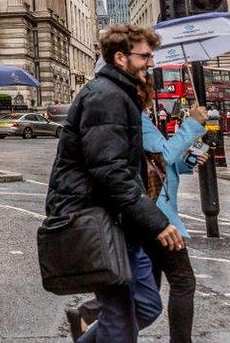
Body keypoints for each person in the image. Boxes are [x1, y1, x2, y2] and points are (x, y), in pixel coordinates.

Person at [47, 24, 183, 343]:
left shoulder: (120, 94)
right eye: (145, 56)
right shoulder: (105, 96)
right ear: (121, 58)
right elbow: (109, 169)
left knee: (146, 307)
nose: (150, 63)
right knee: (120, 322)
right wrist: (157, 222)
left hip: (121, 222)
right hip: (98, 220)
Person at [68, 80, 208, 342]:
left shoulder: (141, 118)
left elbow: (159, 164)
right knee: (182, 282)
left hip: (149, 213)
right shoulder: (136, 120)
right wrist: (192, 123)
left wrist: (190, 157)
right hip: (154, 216)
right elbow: (165, 154)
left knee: (146, 295)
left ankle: (89, 314)